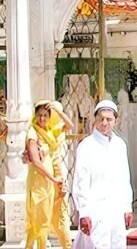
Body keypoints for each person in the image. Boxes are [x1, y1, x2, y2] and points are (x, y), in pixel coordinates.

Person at [72, 100, 133, 249]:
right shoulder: (86, 146)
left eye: (109, 119)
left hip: (116, 210)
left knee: (117, 244)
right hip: (95, 211)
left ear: (115, 121)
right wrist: (84, 212)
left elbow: (125, 178)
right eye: (101, 119)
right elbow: (81, 181)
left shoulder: (120, 145)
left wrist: (127, 207)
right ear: (95, 120)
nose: (105, 123)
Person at [25, 100, 66, 249]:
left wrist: (58, 110)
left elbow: (70, 126)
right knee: (38, 222)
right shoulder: (32, 133)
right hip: (38, 183)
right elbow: (36, 162)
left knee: (44, 220)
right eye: (39, 115)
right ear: (35, 116)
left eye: (45, 115)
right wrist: (53, 178)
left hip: (48, 182)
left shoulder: (49, 131)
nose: (42, 119)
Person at [48, 101, 75, 249]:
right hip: (45, 172)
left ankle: (66, 244)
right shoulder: (42, 130)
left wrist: (59, 113)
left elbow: (70, 125)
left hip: (57, 172)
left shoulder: (57, 129)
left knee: (61, 210)